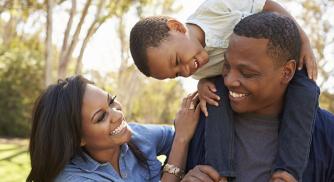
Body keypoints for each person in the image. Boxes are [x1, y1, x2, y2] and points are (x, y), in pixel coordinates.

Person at [129, 0, 318, 180]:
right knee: (214, 97)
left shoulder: (215, 8)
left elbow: (267, 4)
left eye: (177, 61)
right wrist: (202, 84)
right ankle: (218, 172)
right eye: (177, 74)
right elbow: (217, 74)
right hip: (238, 80)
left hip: (278, 58)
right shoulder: (197, 68)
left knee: (307, 90)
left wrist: (303, 41)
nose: (186, 71)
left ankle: (288, 173)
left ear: (177, 27)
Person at [183, 12, 334, 182]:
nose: (229, 81)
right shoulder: (197, 119)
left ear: (287, 72)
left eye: (247, 73)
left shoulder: (328, 135)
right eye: (226, 66)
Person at [26, 75, 202, 182]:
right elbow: (182, 137)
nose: (117, 115)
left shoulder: (137, 136)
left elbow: (191, 133)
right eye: (101, 117)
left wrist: (207, 83)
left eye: (111, 101)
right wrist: (181, 141)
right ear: (78, 138)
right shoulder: (72, 179)